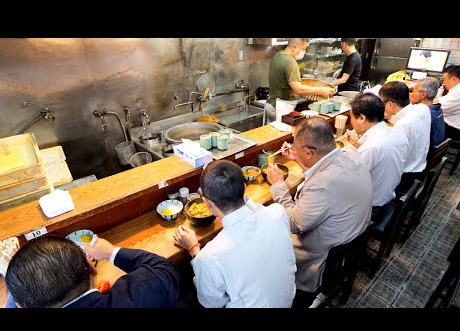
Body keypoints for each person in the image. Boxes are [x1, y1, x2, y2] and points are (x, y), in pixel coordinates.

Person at [266, 117, 373, 307]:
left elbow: (294, 223)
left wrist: (278, 185)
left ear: (309, 151)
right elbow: (323, 171)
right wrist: (300, 159)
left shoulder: (322, 185)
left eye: (295, 145)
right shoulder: (350, 152)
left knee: (264, 242)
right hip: (353, 236)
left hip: (321, 257)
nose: (292, 147)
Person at [173, 160, 297, 308]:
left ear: (207, 203)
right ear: (244, 188)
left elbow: (212, 304)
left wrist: (194, 250)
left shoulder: (209, 257)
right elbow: (258, 210)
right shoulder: (277, 212)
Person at [5, 235, 180, 308]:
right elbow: (161, 268)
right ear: (91, 268)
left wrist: (18, 288)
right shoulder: (146, 292)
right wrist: (111, 252)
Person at [345, 93, 408, 210]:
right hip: (388, 195)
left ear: (362, 118)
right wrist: (359, 144)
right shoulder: (398, 134)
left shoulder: (372, 147)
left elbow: (347, 180)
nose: (351, 122)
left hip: (371, 206)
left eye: (351, 118)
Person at [265, 38, 335, 123]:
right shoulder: (290, 62)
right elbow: (298, 89)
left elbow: (284, 79)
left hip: (271, 105)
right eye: (303, 48)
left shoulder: (278, 55)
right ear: (294, 47)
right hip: (281, 107)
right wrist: (322, 90)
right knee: (283, 135)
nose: (304, 52)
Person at [380, 81, 431, 194]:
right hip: (420, 167)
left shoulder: (402, 125)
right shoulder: (423, 109)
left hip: (405, 178)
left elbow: (391, 161)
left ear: (390, 104)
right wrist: (390, 117)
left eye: (382, 102)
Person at [410, 77, 445, 146]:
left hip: (427, 152)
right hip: (435, 150)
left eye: (413, 91)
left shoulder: (423, 114)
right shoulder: (437, 109)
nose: (411, 94)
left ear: (423, 94)